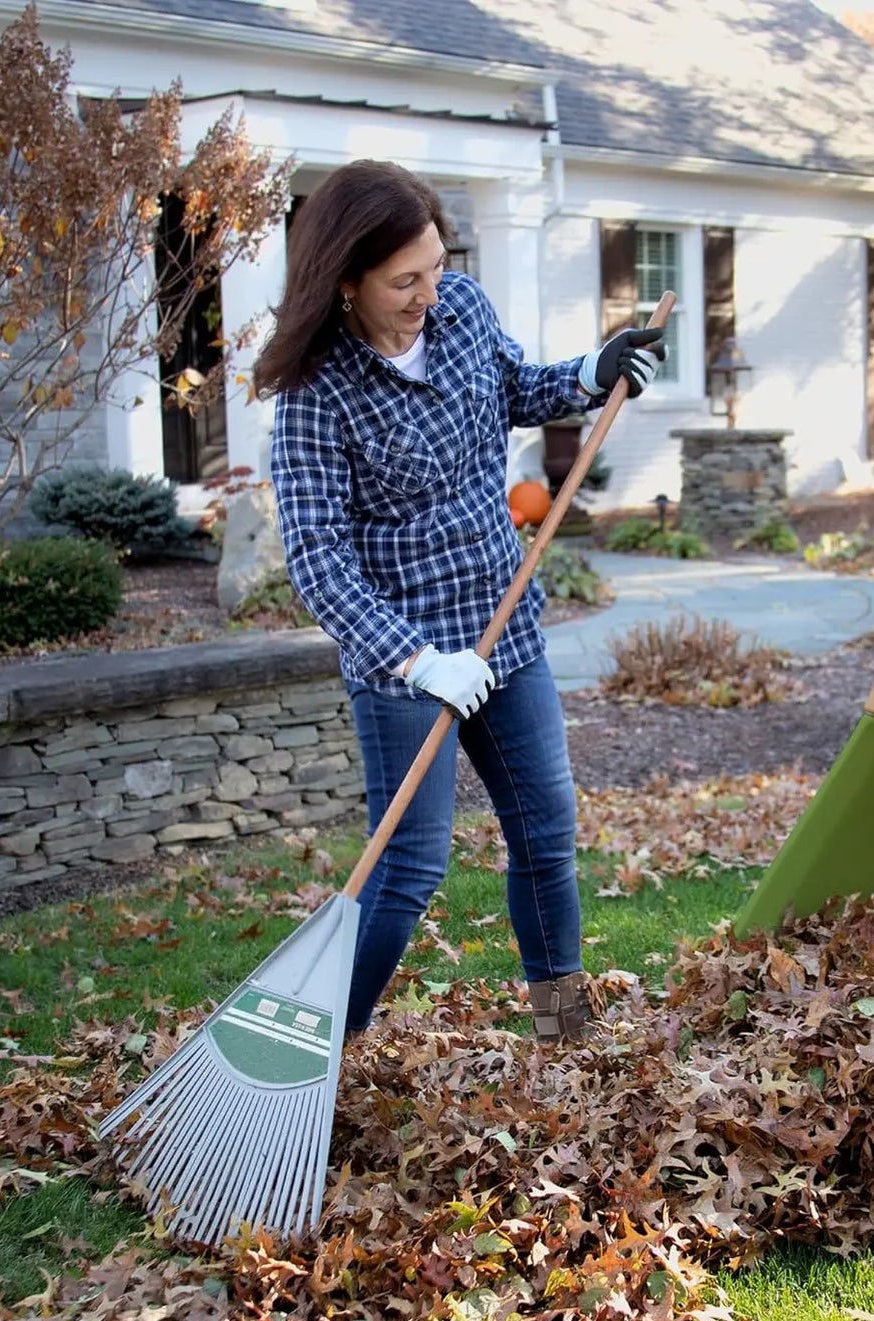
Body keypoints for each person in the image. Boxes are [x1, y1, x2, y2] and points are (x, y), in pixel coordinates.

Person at [254, 160, 665, 1042]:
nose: (430, 294)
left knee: (545, 833)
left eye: (437, 266)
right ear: (346, 281)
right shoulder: (314, 396)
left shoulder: (463, 310)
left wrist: (591, 371)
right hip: (406, 661)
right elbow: (319, 565)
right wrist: (418, 660)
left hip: (501, 625)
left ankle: (564, 1028)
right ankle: (317, 1049)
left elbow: (513, 388)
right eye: (405, 280)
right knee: (408, 866)